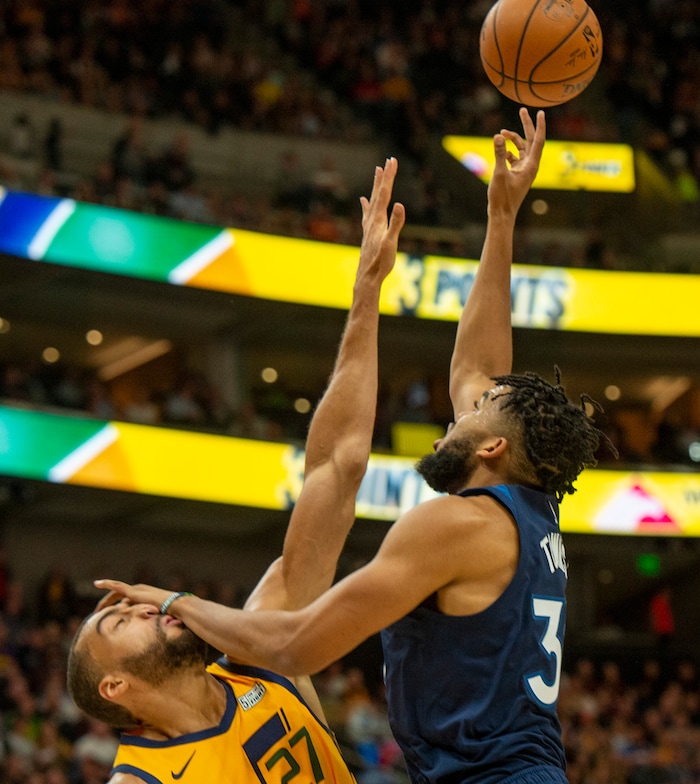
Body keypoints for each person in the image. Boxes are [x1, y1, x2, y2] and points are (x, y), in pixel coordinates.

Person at [95, 109, 609, 784]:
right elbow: (477, 375)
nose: (460, 403)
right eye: (113, 625)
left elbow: (298, 638)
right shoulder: (522, 510)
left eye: (477, 410)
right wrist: (500, 218)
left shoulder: (462, 524)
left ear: (491, 451)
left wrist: (173, 601)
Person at [66, 158, 406, 783]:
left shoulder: (261, 657)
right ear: (113, 687)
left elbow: (339, 465)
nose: (143, 609)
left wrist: (366, 293)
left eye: (131, 607)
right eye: (119, 620)